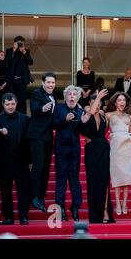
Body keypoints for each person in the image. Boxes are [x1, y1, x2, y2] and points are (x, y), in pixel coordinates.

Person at [81, 90, 115, 223]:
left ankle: (106, 210)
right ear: (90, 103)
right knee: (93, 183)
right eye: (95, 102)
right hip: (91, 151)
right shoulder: (86, 115)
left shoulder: (103, 115)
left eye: (100, 102)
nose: (98, 104)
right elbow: (86, 120)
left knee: (105, 181)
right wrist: (97, 98)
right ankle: (95, 214)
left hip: (104, 149)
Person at [0, 93, 31, 225]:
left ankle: (23, 216)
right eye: (7, 104)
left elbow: (29, 142)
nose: (10, 107)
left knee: (24, 190)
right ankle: (8, 217)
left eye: (12, 104)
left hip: (22, 161)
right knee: (5, 190)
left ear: (16, 103)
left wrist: (31, 161)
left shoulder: (26, 119)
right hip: (4, 162)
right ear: (3, 105)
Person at [53, 85, 85, 221]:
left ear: (77, 97)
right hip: (61, 149)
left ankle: (75, 208)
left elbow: (83, 131)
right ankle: (60, 210)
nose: (72, 96)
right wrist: (64, 120)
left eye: (74, 95)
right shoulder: (59, 108)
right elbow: (53, 124)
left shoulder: (80, 110)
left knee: (74, 180)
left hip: (74, 150)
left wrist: (84, 121)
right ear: (65, 96)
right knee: (61, 180)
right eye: (70, 94)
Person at [27, 72, 57, 213]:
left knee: (45, 168)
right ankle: (34, 196)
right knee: (38, 166)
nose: (51, 85)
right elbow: (34, 109)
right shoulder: (36, 94)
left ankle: (41, 196)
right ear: (43, 83)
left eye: (53, 82)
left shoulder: (54, 96)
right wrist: (42, 108)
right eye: (48, 82)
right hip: (37, 135)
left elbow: (55, 115)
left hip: (48, 136)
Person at [106, 92, 131, 216]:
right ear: (115, 102)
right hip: (115, 149)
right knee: (117, 177)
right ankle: (117, 204)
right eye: (119, 100)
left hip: (127, 149)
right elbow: (104, 131)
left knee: (127, 177)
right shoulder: (109, 115)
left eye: (124, 100)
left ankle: (125, 203)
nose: (122, 102)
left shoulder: (129, 117)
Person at [5, 35, 33, 114]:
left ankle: (23, 117)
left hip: (22, 80)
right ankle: (11, 115)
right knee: (12, 99)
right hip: (12, 80)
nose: (20, 45)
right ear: (15, 43)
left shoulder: (26, 51)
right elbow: (6, 61)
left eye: (21, 43)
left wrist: (24, 52)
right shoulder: (10, 50)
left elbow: (30, 62)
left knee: (22, 100)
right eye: (18, 43)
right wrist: (13, 50)